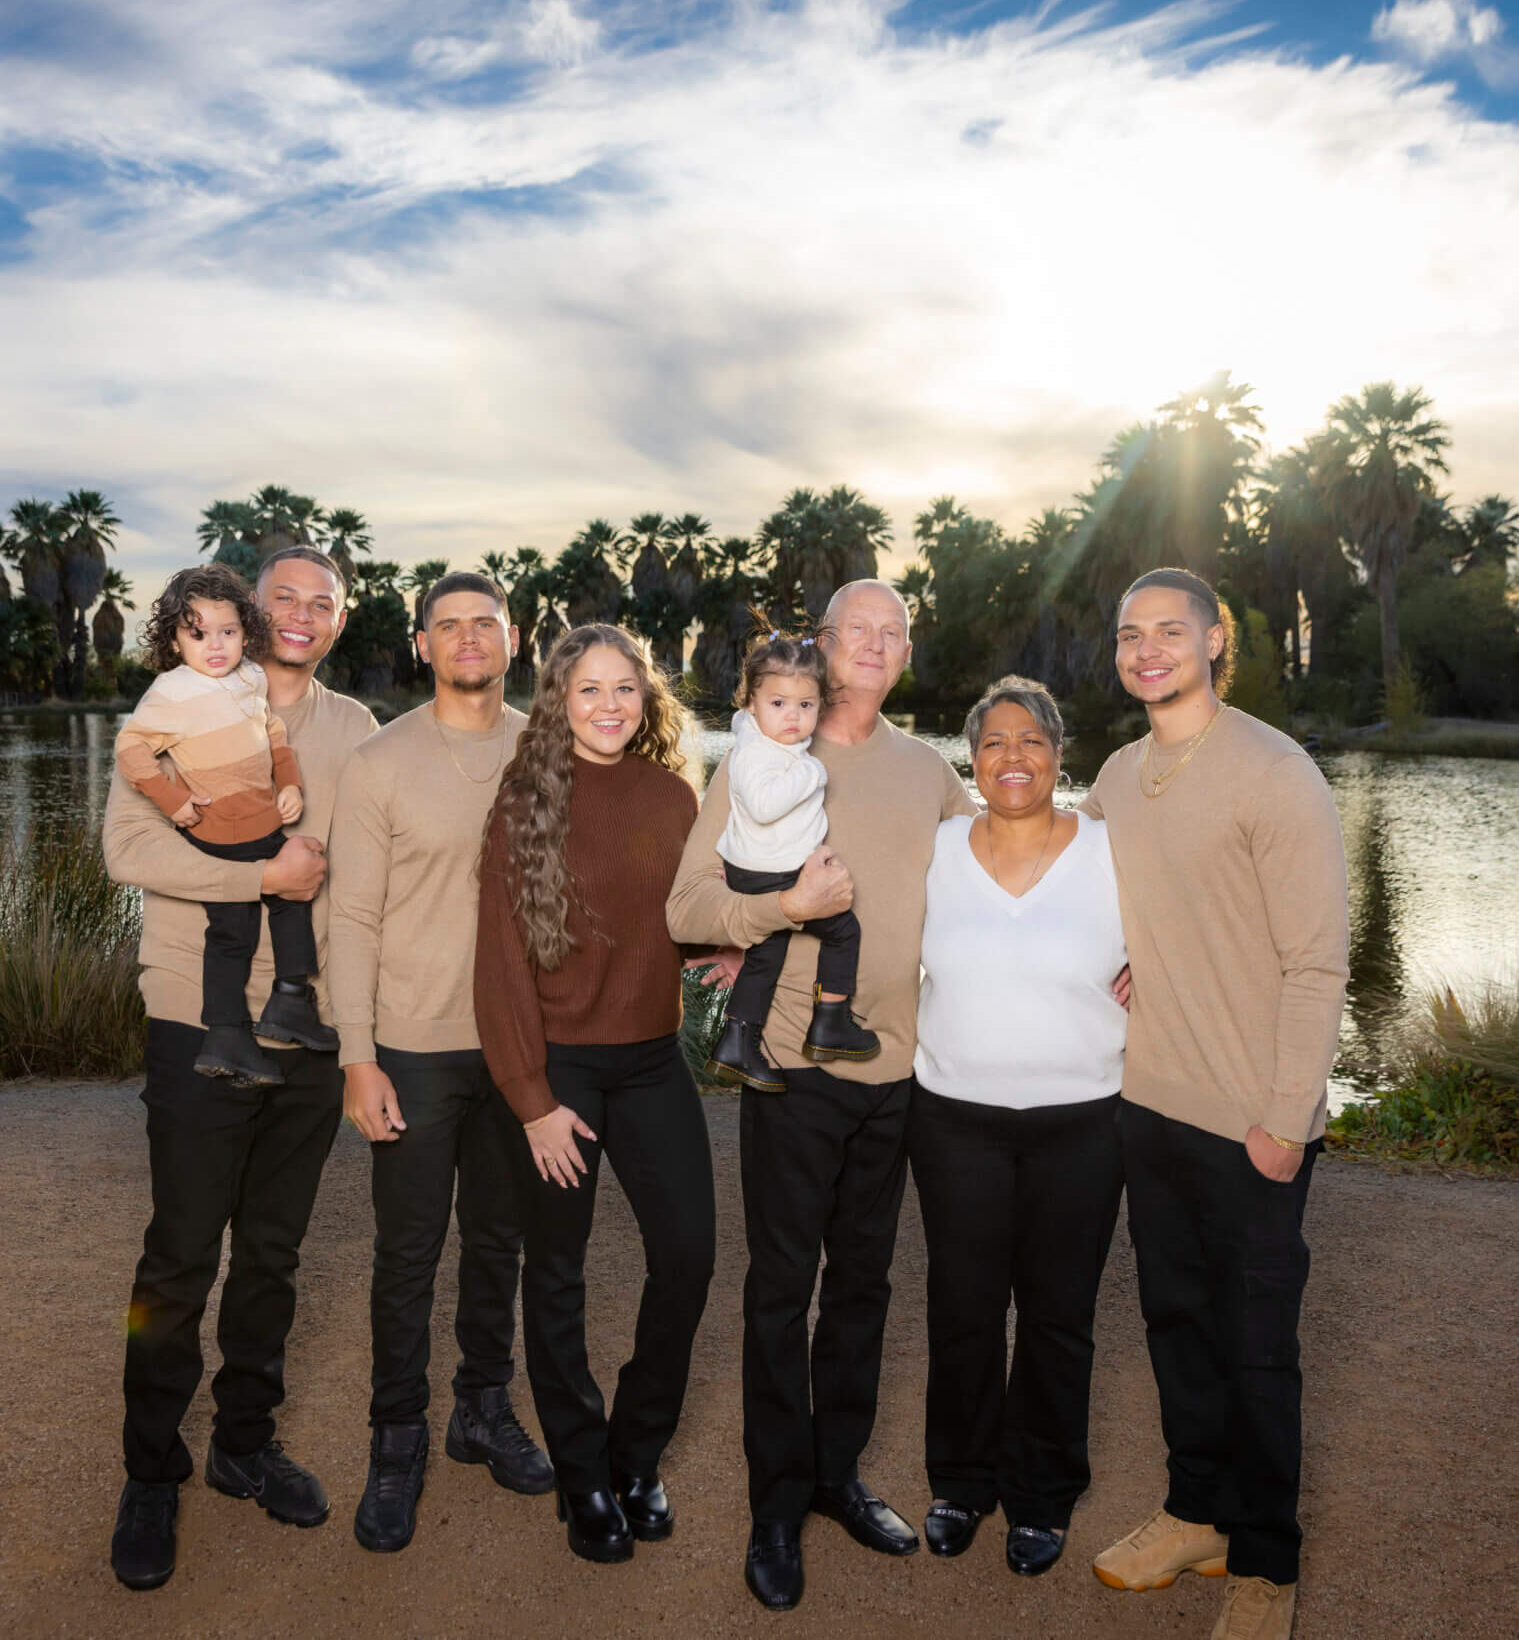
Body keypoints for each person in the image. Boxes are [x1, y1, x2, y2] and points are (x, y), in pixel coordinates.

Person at [666, 579, 976, 1613]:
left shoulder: (930, 769)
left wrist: (1117, 950)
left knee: (863, 1285)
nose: (874, 644)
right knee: (780, 1289)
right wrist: (769, 913)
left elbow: (1013, 865)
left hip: (896, 1071)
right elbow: (687, 900)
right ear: (826, 645)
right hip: (794, 1068)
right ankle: (775, 1502)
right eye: (856, 628)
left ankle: (838, 1472)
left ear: (905, 649)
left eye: (893, 630)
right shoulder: (764, 750)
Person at [100, 545, 375, 1592]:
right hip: (193, 1015)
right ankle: (151, 1468)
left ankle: (244, 1441)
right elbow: (126, 847)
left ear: (341, 618)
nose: (300, 613)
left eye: (323, 601)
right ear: (242, 610)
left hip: (311, 1026)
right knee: (179, 1257)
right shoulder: (180, 699)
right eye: (283, 597)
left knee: (272, 1252)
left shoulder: (356, 732)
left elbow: (380, 866)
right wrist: (262, 872)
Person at [1082, 568, 1349, 1640]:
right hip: (1148, 1102)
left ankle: (1266, 1563)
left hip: (1250, 1120)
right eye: (1129, 633)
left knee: (1254, 1345)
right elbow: (1061, 876)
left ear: (1212, 638)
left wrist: (1287, 1117)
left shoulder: (1273, 771)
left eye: (1167, 630)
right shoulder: (1114, 772)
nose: (1147, 648)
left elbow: (1318, 962)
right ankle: (1196, 1511)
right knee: (1175, 1325)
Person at [473, 624, 717, 1564]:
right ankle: (582, 1476)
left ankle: (634, 1454)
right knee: (560, 1276)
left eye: (625, 689)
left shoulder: (674, 796)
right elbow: (498, 962)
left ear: (646, 699)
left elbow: (685, 915)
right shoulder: (523, 800)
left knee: (689, 1256)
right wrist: (530, 1100)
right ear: (558, 703)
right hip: (559, 1072)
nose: (609, 705)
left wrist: (726, 942)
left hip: (655, 1062)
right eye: (588, 691)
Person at [327, 570, 554, 1554]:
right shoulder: (379, 761)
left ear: (512, 639)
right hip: (412, 1051)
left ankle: (480, 1408)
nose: (467, 639)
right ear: (420, 643)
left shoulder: (546, 748)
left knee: (499, 1243)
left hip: (515, 1050)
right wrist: (356, 1057)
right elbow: (351, 916)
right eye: (448, 626)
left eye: (485, 625)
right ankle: (395, 1441)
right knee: (407, 1257)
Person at [908, 677, 1127, 1581]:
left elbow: (1193, 925)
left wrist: (1160, 969)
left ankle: (1041, 1495)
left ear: (1060, 753)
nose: (1013, 757)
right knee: (962, 1311)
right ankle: (960, 1483)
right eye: (994, 742)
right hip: (954, 1116)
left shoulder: (1115, 852)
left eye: (1031, 740)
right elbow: (857, 924)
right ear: (971, 758)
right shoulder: (936, 848)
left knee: (1056, 1317)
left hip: (1085, 1120)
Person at [113, 563, 334, 1084]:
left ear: (246, 632)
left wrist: (289, 783)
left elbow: (272, 729)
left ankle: (291, 999)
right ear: (174, 641)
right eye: (197, 633)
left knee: (292, 899)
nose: (215, 645)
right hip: (218, 834)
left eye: (228, 632)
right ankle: (226, 1035)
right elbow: (130, 748)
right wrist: (172, 800)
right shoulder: (170, 694)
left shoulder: (249, 677)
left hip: (261, 819)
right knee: (232, 934)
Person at [706, 620, 879, 1094]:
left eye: (805, 705)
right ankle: (830, 1022)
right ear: (750, 701)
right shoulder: (757, 754)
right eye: (778, 704)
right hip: (771, 874)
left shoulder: (764, 741)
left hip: (760, 868)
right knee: (844, 931)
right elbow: (762, 806)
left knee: (766, 957)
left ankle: (738, 1040)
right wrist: (812, 774)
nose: (792, 717)